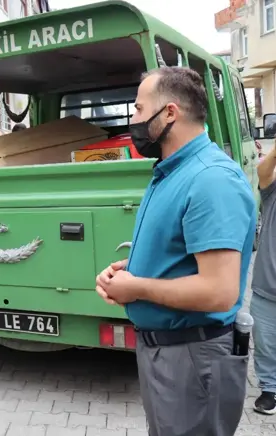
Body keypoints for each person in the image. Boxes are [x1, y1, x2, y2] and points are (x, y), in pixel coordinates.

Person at [95, 67, 255, 436]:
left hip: (192, 357)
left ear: (169, 113)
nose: (132, 119)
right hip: (168, 353)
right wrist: (128, 268)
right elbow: (179, 250)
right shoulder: (172, 171)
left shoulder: (210, 179)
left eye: (137, 109)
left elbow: (219, 291)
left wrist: (137, 288)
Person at [249, 140, 276, 415]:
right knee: (266, 342)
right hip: (268, 287)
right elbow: (263, 171)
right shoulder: (273, 192)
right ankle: (270, 388)